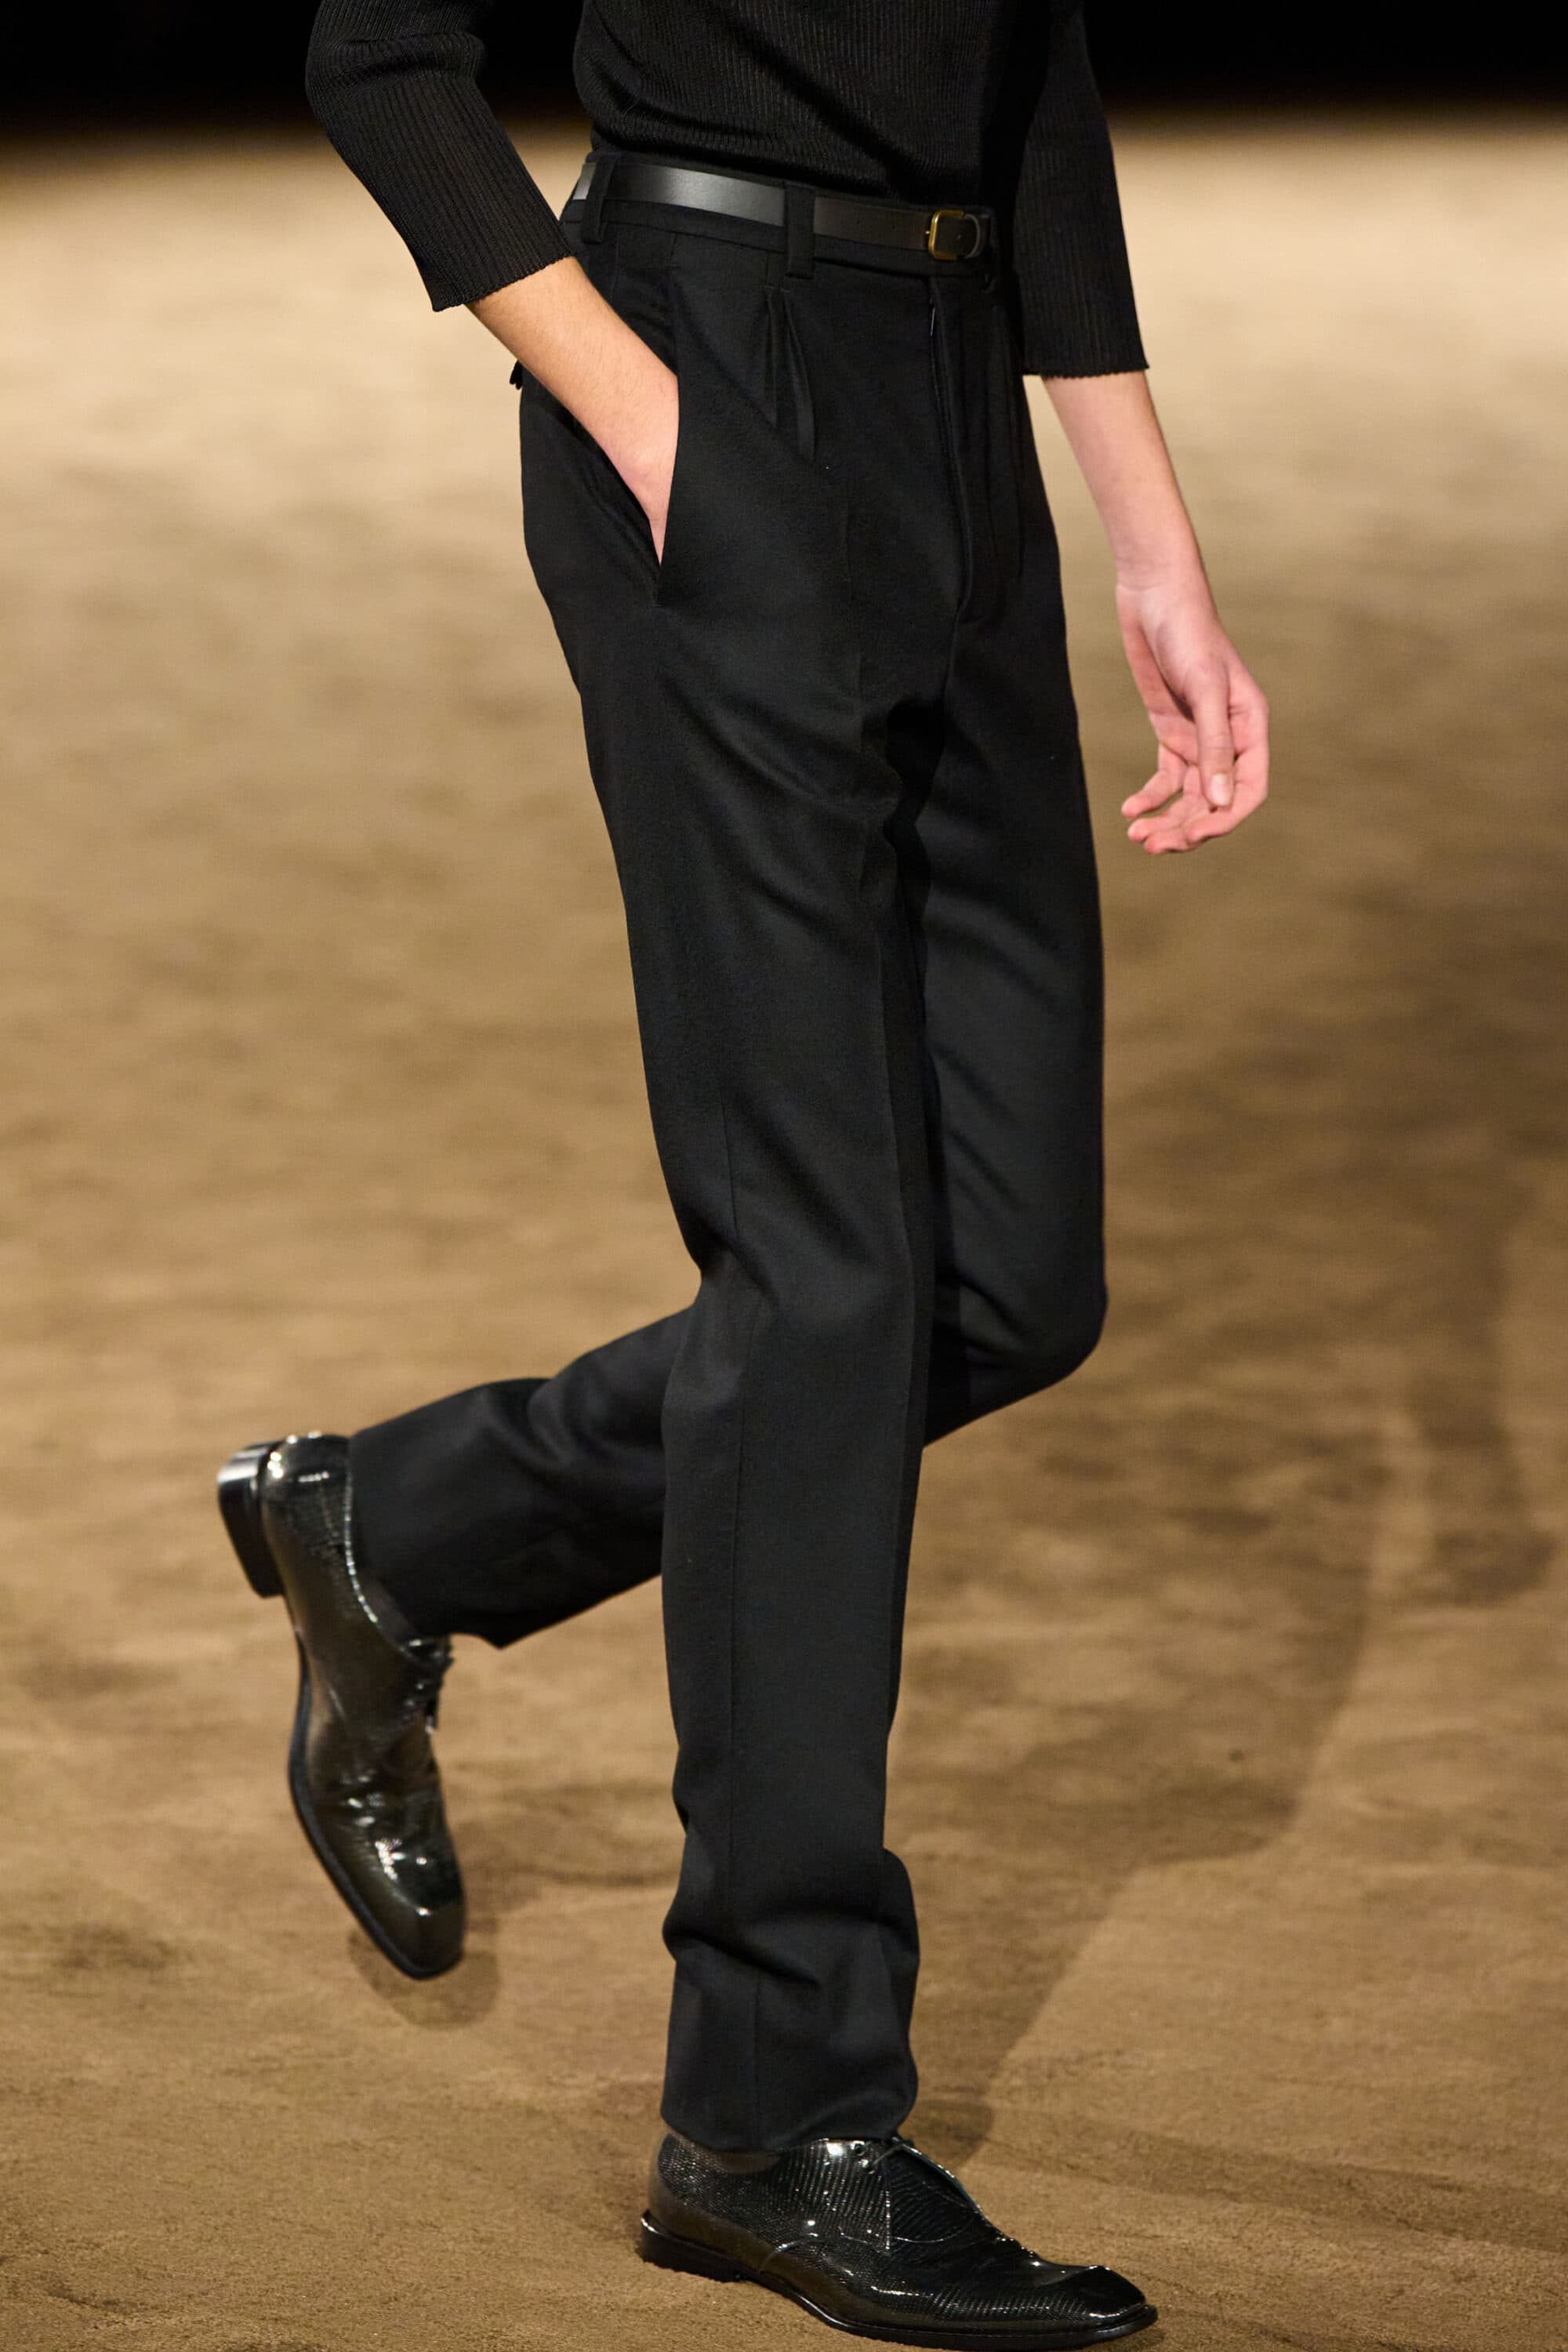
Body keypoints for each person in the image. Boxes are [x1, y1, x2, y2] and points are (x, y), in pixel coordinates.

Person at [219, 0, 1268, 2341]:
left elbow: (1032, 77)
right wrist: (653, 423)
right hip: (705, 371)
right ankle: (772, 2111)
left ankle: (399, 1528)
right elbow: (376, 50)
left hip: (956, 403)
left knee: (1007, 1279)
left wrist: (1149, 538)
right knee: (827, 1280)